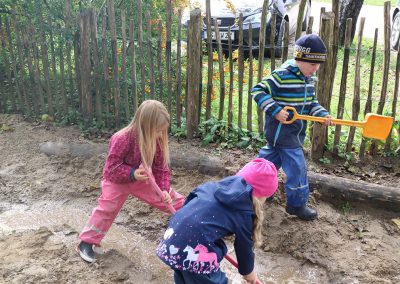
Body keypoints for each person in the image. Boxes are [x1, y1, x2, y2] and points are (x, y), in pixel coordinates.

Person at [78, 100, 185, 263]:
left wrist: (164, 189)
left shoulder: (157, 141)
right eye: (157, 131)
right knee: (107, 209)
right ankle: (86, 242)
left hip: (142, 178)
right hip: (116, 181)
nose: (159, 135)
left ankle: (196, 219)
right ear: (145, 126)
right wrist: (132, 173)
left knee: (172, 199)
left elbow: (161, 169)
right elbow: (111, 168)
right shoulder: (121, 138)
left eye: (162, 131)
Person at [251, 34, 333, 221]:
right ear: (300, 59)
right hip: (284, 136)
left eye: (318, 65)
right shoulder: (282, 76)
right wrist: (276, 111)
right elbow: (258, 90)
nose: (316, 68)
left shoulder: (308, 79)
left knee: (265, 165)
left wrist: (322, 114)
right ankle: (296, 205)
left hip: (289, 135)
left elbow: (311, 103)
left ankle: (260, 191)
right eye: (313, 64)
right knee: (297, 169)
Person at [156, 158, 278, 284]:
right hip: (191, 252)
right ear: (260, 196)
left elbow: (188, 208)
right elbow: (244, 247)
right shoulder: (244, 212)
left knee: (185, 277)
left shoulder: (210, 187)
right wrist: (249, 273)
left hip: (170, 243)